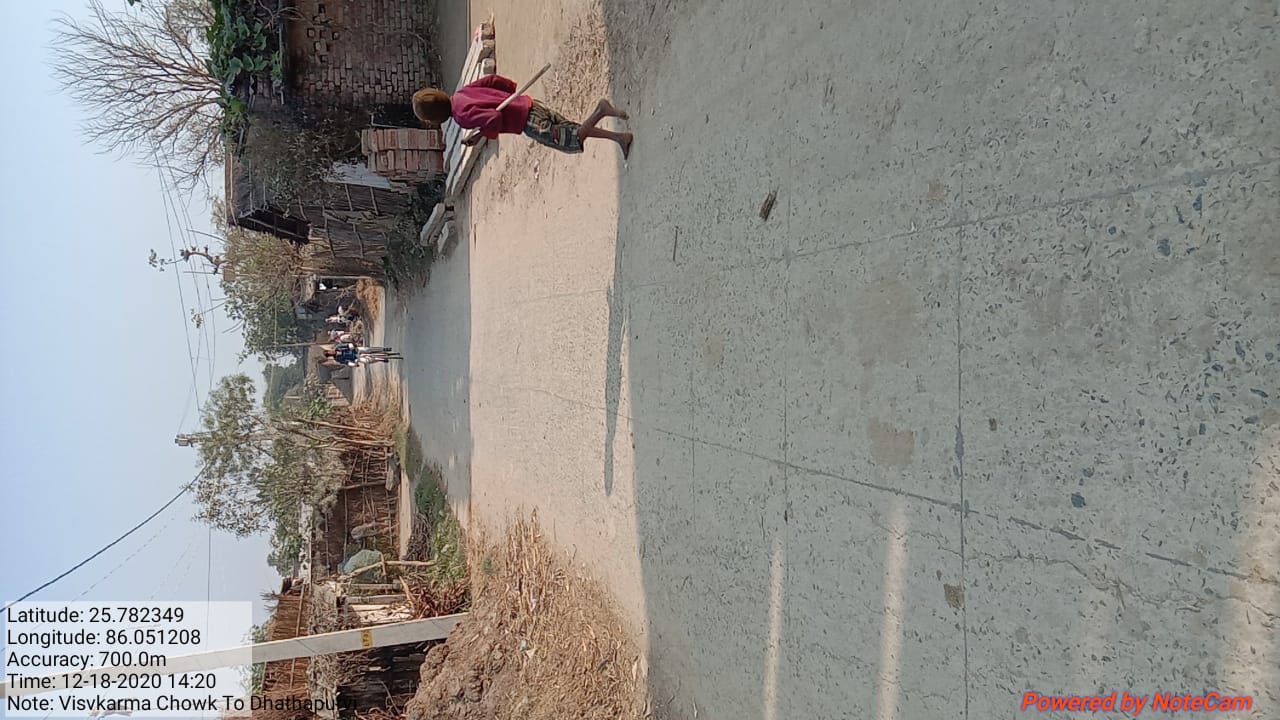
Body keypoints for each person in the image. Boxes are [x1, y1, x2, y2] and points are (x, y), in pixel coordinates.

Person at [412, 75, 633, 159]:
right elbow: (491, 80)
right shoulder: (461, 94)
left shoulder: (461, 116)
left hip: (528, 123)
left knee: (570, 139)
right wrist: (511, 91)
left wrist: (482, 135)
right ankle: (619, 138)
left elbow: (493, 119)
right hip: (529, 105)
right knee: (572, 128)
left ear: (435, 118)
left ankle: (600, 111)